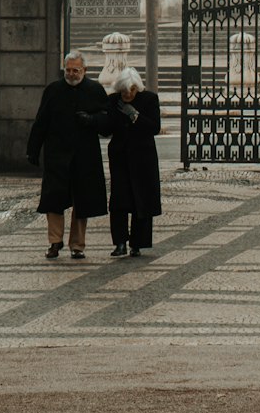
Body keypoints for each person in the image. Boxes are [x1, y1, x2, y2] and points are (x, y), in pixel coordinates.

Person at [27, 51, 112, 261]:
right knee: (53, 199)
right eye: (69, 70)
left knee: (82, 200)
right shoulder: (53, 90)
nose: (72, 74)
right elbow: (41, 122)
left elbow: (107, 123)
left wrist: (92, 120)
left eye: (76, 70)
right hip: (57, 153)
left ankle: (77, 245)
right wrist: (33, 149)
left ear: (85, 70)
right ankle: (55, 241)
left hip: (85, 155)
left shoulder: (95, 90)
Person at [78, 66, 161, 257]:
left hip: (143, 159)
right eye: (124, 91)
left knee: (142, 200)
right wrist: (93, 121)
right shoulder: (113, 101)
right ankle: (120, 243)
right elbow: (107, 128)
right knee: (119, 202)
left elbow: (154, 127)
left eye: (131, 90)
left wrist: (135, 115)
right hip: (121, 157)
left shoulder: (148, 99)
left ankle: (137, 244)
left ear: (136, 88)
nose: (127, 94)